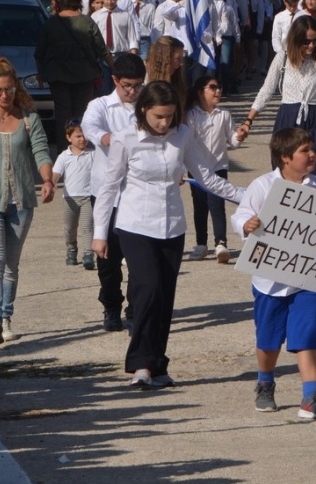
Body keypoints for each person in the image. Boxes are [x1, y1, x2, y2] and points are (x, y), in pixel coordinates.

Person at [92, 81, 244, 388]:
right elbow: (108, 188)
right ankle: (140, 365)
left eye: (170, 116)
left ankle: (157, 366)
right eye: (159, 116)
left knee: (163, 297)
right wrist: (99, 233)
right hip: (135, 224)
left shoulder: (184, 135)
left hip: (172, 226)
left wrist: (250, 196)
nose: (164, 123)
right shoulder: (125, 139)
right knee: (146, 291)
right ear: (144, 110)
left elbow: (208, 179)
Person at [231, 128, 316, 420]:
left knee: (308, 333)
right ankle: (265, 382)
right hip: (270, 280)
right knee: (268, 340)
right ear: (285, 157)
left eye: (312, 148)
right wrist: (247, 224)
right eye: (305, 150)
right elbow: (239, 216)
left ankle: (311, 396)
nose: (312, 154)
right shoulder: (263, 186)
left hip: (309, 278)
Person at [0, 57, 55, 345]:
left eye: (9, 89)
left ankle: (5, 317)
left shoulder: (29, 119)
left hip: (21, 203)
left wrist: (47, 179)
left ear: (16, 87)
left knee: (10, 265)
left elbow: (41, 152)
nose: (4, 95)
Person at [238, 16, 316, 179]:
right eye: (306, 41)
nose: (311, 45)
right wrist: (248, 121)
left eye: (315, 41)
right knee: (284, 172)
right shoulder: (282, 58)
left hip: (314, 119)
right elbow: (266, 91)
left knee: (314, 171)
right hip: (288, 118)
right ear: (296, 39)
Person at [81, 53, 147, 333]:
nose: (132, 92)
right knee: (107, 256)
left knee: (138, 256)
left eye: (137, 86)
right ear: (115, 81)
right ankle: (111, 305)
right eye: (127, 86)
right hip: (106, 191)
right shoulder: (100, 105)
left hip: (137, 191)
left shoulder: (146, 105)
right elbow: (89, 127)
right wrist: (106, 138)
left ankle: (135, 307)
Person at [35, 0, 114, 152]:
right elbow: (102, 49)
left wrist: (41, 74)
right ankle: (82, 148)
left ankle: (65, 151)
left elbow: (39, 52)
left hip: (57, 76)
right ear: (78, 1)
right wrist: (116, 69)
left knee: (62, 114)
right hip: (84, 75)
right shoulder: (87, 21)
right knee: (82, 113)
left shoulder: (51, 24)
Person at [185, 76, 244, 262]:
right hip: (197, 169)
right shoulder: (191, 116)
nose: (218, 91)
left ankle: (221, 243)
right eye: (213, 87)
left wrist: (240, 136)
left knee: (217, 205)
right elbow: (187, 144)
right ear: (200, 92)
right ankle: (201, 244)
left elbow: (232, 141)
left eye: (220, 87)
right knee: (199, 205)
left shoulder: (224, 114)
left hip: (218, 166)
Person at [52, 120, 96, 270]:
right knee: (70, 228)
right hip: (70, 199)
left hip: (87, 198)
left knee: (87, 226)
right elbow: (56, 173)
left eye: (84, 136)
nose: (82, 139)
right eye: (78, 136)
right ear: (69, 137)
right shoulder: (64, 156)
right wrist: (51, 183)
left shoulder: (93, 154)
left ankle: (88, 255)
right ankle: (71, 249)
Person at [92, 0, 139, 94]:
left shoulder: (125, 15)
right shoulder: (95, 16)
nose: (109, 2)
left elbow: (132, 39)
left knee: (119, 90)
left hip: (121, 56)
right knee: (103, 90)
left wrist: (132, 58)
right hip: (102, 58)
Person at [146, 36, 187, 113]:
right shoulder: (144, 81)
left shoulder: (177, 81)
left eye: (182, 59)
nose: (181, 64)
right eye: (178, 59)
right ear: (165, 59)